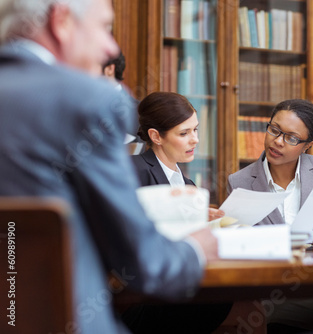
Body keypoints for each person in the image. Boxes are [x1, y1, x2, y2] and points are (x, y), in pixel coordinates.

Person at [0, 1, 220, 333]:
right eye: (104, 27)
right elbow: (146, 264)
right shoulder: (88, 100)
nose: (111, 47)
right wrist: (197, 248)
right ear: (61, 22)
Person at [122, 91, 266, 334]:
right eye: (184, 133)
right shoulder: (134, 170)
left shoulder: (188, 185)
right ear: (156, 136)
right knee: (249, 311)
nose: (195, 139)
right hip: (149, 294)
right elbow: (130, 234)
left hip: (186, 281)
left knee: (250, 307)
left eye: (195, 130)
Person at [227, 98, 313, 332]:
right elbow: (237, 245)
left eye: (291, 138)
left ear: (307, 145)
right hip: (266, 286)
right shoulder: (239, 182)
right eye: (274, 130)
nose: (277, 142)